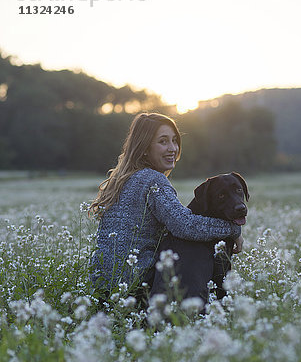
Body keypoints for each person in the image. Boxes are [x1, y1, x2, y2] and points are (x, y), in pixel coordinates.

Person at [89, 112, 242, 306]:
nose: (172, 148)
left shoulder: (121, 179)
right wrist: (232, 230)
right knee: (193, 242)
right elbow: (185, 225)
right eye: (163, 141)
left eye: (174, 141)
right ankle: (207, 306)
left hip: (104, 290)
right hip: (136, 289)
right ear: (144, 148)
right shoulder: (153, 180)